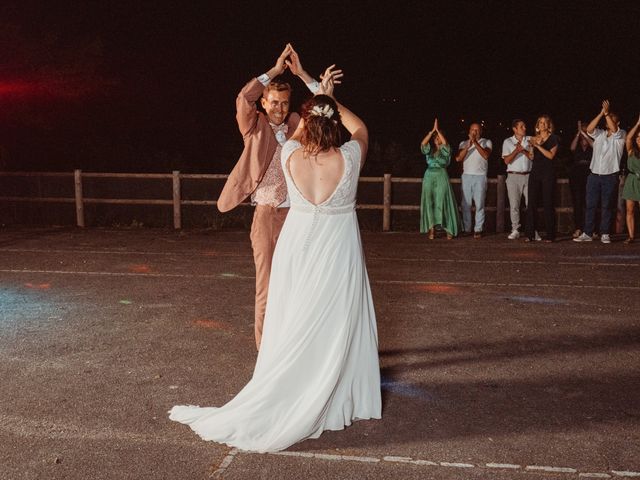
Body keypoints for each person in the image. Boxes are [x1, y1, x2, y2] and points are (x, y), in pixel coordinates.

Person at [169, 66, 381, 452]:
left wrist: (318, 103)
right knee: (333, 317)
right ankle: (328, 384)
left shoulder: (288, 155)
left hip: (297, 247)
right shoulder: (350, 159)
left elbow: (298, 133)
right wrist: (327, 96)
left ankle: (283, 375)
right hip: (336, 250)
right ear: (333, 127)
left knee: (295, 311)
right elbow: (361, 128)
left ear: (305, 125)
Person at [216, 44, 322, 350]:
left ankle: (293, 344)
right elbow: (242, 98)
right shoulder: (254, 126)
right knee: (266, 285)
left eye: (284, 103)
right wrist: (276, 70)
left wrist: (301, 73)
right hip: (265, 213)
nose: (279, 108)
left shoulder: (296, 127)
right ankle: (265, 351)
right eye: (273, 102)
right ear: (264, 102)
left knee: (297, 284)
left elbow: (324, 107)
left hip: (296, 216)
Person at [574, 100, 626, 244]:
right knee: (590, 204)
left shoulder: (620, 135)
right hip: (594, 175)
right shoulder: (600, 134)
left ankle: (605, 233)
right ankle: (588, 233)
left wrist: (607, 113)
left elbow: (614, 130)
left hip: (610, 176)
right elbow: (589, 130)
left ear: (618, 123)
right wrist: (601, 113)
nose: (609, 122)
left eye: (613, 120)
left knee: (607, 205)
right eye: (607, 119)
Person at [419, 118, 460, 239]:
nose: (437, 138)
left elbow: (446, 145)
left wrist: (439, 131)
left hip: (441, 175)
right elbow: (423, 145)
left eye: (438, 137)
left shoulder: (446, 150)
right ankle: (431, 229)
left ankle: (448, 228)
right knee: (429, 200)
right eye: (435, 137)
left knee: (442, 200)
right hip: (429, 176)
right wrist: (432, 131)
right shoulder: (430, 151)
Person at [524, 115, 559, 242]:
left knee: (547, 203)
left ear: (548, 125)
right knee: (531, 203)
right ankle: (530, 234)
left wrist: (538, 146)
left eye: (545, 123)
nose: (542, 124)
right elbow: (532, 157)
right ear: (537, 126)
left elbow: (550, 155)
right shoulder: (534, 138)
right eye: (540, 122)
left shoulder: (553, 138)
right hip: (535, 172)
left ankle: (550, 235)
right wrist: (531, 148)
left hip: (548, 173)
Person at [455, 123, 492, 238]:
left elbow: (485, 155)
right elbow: (458, 158)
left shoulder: (487, 142)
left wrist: (475, 142)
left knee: (480, 204)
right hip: (466, 176)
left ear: (481, 131)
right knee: (466, 204)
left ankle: (478, 229)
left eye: (477, 130)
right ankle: (467, 228)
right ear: (469, 130)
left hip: (480, 176)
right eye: (472, 129)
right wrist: (468, 145)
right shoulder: (463, 143)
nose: (474, 132)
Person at [501, 119, 534, 240]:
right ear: (514, 129)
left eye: (524, 126)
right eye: (521, 126)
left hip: (529, 175)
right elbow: (506, 161)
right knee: (514, 205)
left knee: (530, 204)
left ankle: (532, 230)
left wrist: (524, 150)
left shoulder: (530, 139)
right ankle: (515, 229)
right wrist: (516, 150)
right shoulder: (508, 141)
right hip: (513, 176)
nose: (524, 128)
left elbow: (532, 157)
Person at [569, 120, 594, 238]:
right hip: (576, 177)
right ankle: (578, 228)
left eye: (586, 131)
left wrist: (584, 133)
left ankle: (591, 229)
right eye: (582, 130)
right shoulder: (577, 145)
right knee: (578, 203)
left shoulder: (592, 145)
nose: (583, 133)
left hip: (589, 176)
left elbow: (593, 143)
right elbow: (572, 148)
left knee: (590, 203)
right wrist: (578, 133)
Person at [622, 114, 640, 244]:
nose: (638, 139)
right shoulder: (632, 151)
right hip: (632, 181)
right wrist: (638, 124)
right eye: (638, 137)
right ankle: (631, 236)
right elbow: (628, 138)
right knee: (629, 210)